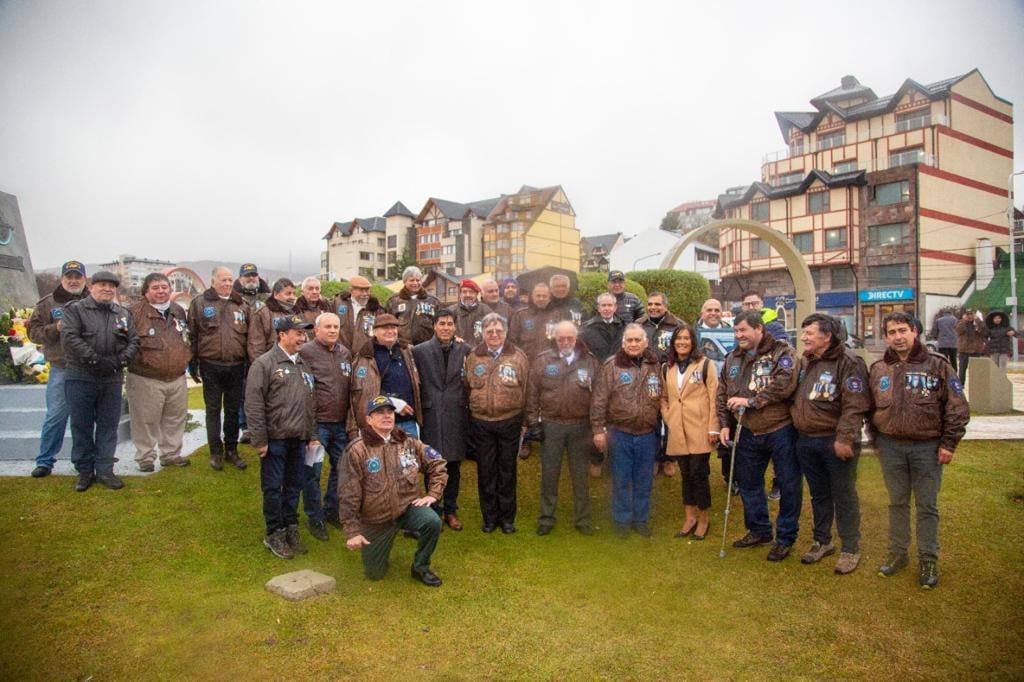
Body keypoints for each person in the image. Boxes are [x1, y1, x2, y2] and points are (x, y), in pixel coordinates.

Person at [870, 312, 969, 588]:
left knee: (927, 505)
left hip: (927, 447)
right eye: (891, 332)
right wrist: (875, 440)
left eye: (903, 330)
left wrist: (949, 443)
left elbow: (957, 408)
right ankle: (898, 553)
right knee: (896, 502)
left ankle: (928, 558)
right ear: (886, 336)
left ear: (915, 331)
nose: (898, 337)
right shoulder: (879, 368)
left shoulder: (937, 365)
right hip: (891, 448)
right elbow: (869, 409)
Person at [716, 310, 800, 561]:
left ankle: (785, 537)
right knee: (749, 484)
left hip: (779, 429)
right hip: (747, 431)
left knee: (788, 484)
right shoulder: (732, 358)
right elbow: (722, 394)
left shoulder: (782, 353)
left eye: (743, 330)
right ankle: (759, 529)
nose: (738, 335)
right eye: (736, 331)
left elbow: (784, 385)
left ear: (759, 328)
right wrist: (724, 424)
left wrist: (752, 401)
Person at [791, 314, 871, 575]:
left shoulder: (849, 362)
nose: (803, 338)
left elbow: (855, 405)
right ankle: (822, 541)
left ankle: (850, 547)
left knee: (844, 494)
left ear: (828, 336)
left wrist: (845, 438)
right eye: (803, 333)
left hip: (834, 442)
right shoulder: (806, 361)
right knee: (819, 494)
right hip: (807, 441)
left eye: (809, 333)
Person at [339, 395, 448, 586]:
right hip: (377, 519)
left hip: (407, 509)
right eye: (379, 412)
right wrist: (352, 531)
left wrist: (433, 494)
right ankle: (382, 546)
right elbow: (348, 493)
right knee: (374, 573)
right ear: (369, 419)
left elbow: (437, 463)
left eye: (389, 411)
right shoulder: (357, 450)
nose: (386, 416)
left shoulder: (407, 442)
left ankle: (420, 567)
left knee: (432, 521)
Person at [245, 314, 319, 559]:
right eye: (297, 333)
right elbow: (254, 404)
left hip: (298, 439)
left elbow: (311, 403)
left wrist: (312, 434)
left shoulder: (303, 365)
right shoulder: (264, 364)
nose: (302, 337)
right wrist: (260, 440)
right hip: (275, 440)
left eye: (304, 333)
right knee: (273, 488)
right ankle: (273, 532)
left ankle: (290, 527)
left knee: (294, 486)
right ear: (282, 334)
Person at [60, 270, 139, 491]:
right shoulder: (75, 310)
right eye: (102, 285)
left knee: (108, 425)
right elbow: (70, 338)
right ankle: (85, 471)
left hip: (111, 378)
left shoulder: (122, 313)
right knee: (82, 425)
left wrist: (118, 361)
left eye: (112, 286)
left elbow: (133, 340)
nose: (107, 289)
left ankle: (105, 470)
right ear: (91, 287)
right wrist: (96, 360)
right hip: (81, 376)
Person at [527, 321, 599, 536]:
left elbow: (598, 396)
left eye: (570, 338)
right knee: (550, 475)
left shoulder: (590, 361)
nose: (566, 342)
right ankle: (547, 518)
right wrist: (533, 423)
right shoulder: (542, 361)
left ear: (576, 339)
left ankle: (583, 519)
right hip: (552, 425)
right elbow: (532, 393)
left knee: (580, 475)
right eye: (561, 338)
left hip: (580, 425)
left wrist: (596, 427)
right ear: (555, 339)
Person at [591, 323, 662, 537]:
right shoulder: (611, 366)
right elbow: (599, 401)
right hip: (619, 433)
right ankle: (621, 520)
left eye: (637, 340)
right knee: (621, 480)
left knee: (644, 480)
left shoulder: (655, 364)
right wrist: (597, 429)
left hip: (647, 434)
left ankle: (640, 519)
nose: (633, 344)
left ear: (646, 342)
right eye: (629, 340)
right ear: (623, 343)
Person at [464, 312, 530, 533]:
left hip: (509, 421)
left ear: (506, 332)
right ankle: (490, 517)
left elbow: (528, 390)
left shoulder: (519, 356)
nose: (494, 335)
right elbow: (466, 387)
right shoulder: (473, 356)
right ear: (482, 333)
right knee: (486, 471)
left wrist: (527, 422)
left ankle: (507, 518)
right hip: (481, 422)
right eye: (489, 331)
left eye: (498, 331)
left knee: (507, 471)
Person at [27, 260, 89, 478]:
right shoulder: (47, 304)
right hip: (62, 367)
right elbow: (33, 333)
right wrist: (56, 328)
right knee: (56, 416)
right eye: (69, 277)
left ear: (84, 279)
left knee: (86, 418)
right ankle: (45, 461)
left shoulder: (95, 299)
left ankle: (85, 462)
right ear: (62, 279)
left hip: (89, 368)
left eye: (77, 277)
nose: (73, 281)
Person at [126, 273, 192, 472]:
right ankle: (145, 457)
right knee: (145, 420)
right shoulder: (133, 313)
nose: (161, 291)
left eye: (165, 287)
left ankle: (171, 454)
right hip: (146, 378)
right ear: (146, 291)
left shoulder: (178, 310)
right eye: (156, 287)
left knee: (174, 418)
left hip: (177, 376)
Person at [412, 309, 472, 531]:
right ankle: (433, 510)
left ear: (455, 326)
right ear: (434, 326)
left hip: (456, 414)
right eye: (442, 323)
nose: (446, 327)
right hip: (431, 414)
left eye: (449, 324)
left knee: (454, 465)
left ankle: (451, 510)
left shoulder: (466, 349)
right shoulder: (419, 351)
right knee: (432, 464)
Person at [188, 266, 251, 471]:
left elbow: (250, 337)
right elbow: (192, 335)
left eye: (229, 280)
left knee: (233, 411)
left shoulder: (242, 304)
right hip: (210, 365)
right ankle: (216, 452)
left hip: (236, 365)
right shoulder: (199, 303)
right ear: (212, 281)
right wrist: (193, 364)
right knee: (213, 410)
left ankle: (232, 450)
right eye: (222, 280)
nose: (226, 283)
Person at [661, 323, 719, 540]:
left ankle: (704, 519)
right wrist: (668, 417)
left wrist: (713, 427)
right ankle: (690, 517)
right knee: (685, 475)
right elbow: (664, 397)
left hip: (700, 429)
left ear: (693, 341)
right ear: (673, 342)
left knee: (699, 474)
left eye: (686, 338)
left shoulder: (705, 365)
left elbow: (714, 398)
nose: (682, 342)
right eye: (678, 338)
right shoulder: (667, 367)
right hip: (677, 430)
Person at [298, 312, 352, 541]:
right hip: (317, 425)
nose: (332, 330)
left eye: (336, 326)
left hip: (340, 424)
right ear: (316, 330)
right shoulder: (305, 353)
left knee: (342, 470)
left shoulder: (345, 352)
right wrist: (309, 428)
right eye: (327, 326)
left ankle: (332, 510)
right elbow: (302, 391)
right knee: (313, 472)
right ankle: (314, 516)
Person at [740, 290, 787, 500]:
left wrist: (755, 399)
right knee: (751, 469)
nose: (751, 307)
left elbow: (783, 373)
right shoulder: (739, 328)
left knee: (781, 460)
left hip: (773, 408)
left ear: (762, 304)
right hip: (749, 410)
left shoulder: (775, 325)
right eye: (747, 304)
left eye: (754, 303)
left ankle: (778, 484)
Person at [349, 314, 421, 438]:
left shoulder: (408, 351)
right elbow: (365, 392)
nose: (390, 331)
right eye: (385, 328)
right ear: (375, 331)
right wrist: (393, 403)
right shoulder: (365, 356)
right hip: (379, 424)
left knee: (409, 457)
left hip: (408, 422)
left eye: (393, 328)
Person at [696, 298, 738, 495]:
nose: (713, 313)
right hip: (700, 394)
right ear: (702, 312)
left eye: (717, 309)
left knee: (728, 433)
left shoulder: (733, 332)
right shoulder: (693, 333)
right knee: (701, 436)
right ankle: (699, 477)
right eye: (709, 309)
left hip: (727, 392)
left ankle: (730, 478)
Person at [247, 278, 297, 363]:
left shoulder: (295, 312)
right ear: (276, 294)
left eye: (293, 293)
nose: (292, 297)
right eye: (288, 294)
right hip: (272, 364)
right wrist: (262, 367)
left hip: (292, 363)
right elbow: (255, 346)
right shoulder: (263, 313)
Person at [387, 266, 440, 346]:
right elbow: (388, 325)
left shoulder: (433, 301)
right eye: (411, 280)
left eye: (418, 280)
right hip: (401, 348)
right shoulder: (393, 302)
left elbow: (439, 325)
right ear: (405, 281)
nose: (415, 283)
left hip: (427, 348)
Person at [509, 282, 561, 358]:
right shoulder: (520, 315)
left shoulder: (557, 315)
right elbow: (512, 341)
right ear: (532, 296)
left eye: (544, 296)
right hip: (526, 360)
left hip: (549, 361)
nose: (541, 299)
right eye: (538, 296)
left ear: (549, 298)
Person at [333, 275, 381, 354]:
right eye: (361, 290)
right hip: (340, 355)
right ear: (351, 290)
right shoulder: (337, 303)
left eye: (367, 290)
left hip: (364, 358)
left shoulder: (376, 309)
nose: (365, 294)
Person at [637, 292, 681, 363]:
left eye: (657, 304)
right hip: (644, 370)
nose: (653, 307)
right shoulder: (638, 325)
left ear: (666, 307)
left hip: (669, 370)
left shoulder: (678, 326)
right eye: (650, 304)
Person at [449, 279, 491, 345]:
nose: (467, 295)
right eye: (464, 292)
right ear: (460, 294)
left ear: (476, 294)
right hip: (457, 351)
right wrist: (453, 338)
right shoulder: (451, 311)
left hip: (480, 351)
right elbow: (443, 331)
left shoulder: (486, 311)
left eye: (471, 292)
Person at [954, 309, 988, 385]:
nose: (970, 316)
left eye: (971, 314)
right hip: (964, 350)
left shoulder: (978, 322)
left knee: (975, 370)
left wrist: (977, 319)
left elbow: (984, 331)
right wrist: (964, 320)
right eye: (967, 314)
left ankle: (975, 385)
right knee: (962, 369)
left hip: (976, 350)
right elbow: (958, 330)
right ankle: (961, 385)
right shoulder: (961, 322)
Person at [929, 308, 958, 372]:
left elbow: (934, 331)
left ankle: (944, 371)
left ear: (944, 314)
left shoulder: (939, 320)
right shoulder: (955, 320)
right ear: (951, 313)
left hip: (942, 343)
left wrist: (935, 337)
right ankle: (954, 372)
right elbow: (958, 330)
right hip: (953, 343)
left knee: (943, 359)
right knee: (953, 359)